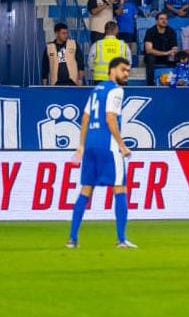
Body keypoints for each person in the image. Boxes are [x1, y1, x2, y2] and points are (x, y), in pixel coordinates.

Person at [67, 56, 135, 248]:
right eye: (123, 70)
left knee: (86, 190)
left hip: (91, 146)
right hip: (108, 146)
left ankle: (72, 239)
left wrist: (81, 146)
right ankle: (121, 239)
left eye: (128, 71)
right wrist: (122, 145)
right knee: (120, 188)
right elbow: (110, 118)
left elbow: (85, 118)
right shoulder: (116, 90)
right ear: (112, 70)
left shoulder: (96, 90)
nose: (126, 74)